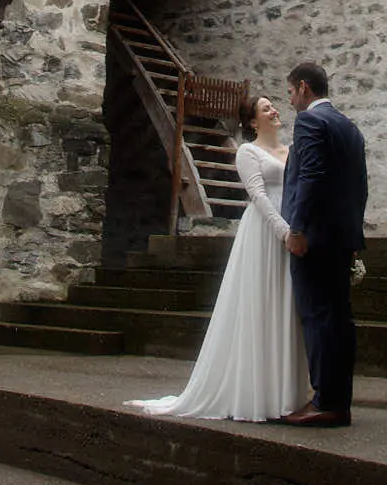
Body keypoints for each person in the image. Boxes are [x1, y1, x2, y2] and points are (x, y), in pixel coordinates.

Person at [127, 94, 306, 421]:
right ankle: (257, 395)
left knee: (286, 307)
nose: (274, 111)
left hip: (293, 228)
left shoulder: (292, 150)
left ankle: (287, 394)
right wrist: (284, 232)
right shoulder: (247, 152)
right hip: (265, 234)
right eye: (266, 109)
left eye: (272, 106)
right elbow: (259, 196)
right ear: (253, 121)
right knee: (261, 306)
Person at [281, 62, 368, 427]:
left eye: (290, 91)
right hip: (341, 238)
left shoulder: (310, 122)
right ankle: (338, 400)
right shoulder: (349, 126)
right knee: (339, 320)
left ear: (303, 87)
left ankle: (325, 401)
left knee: (318, 318)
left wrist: (297, 229)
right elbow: (360, 186)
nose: (289, 99)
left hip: (315, 238)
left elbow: (311, 177)